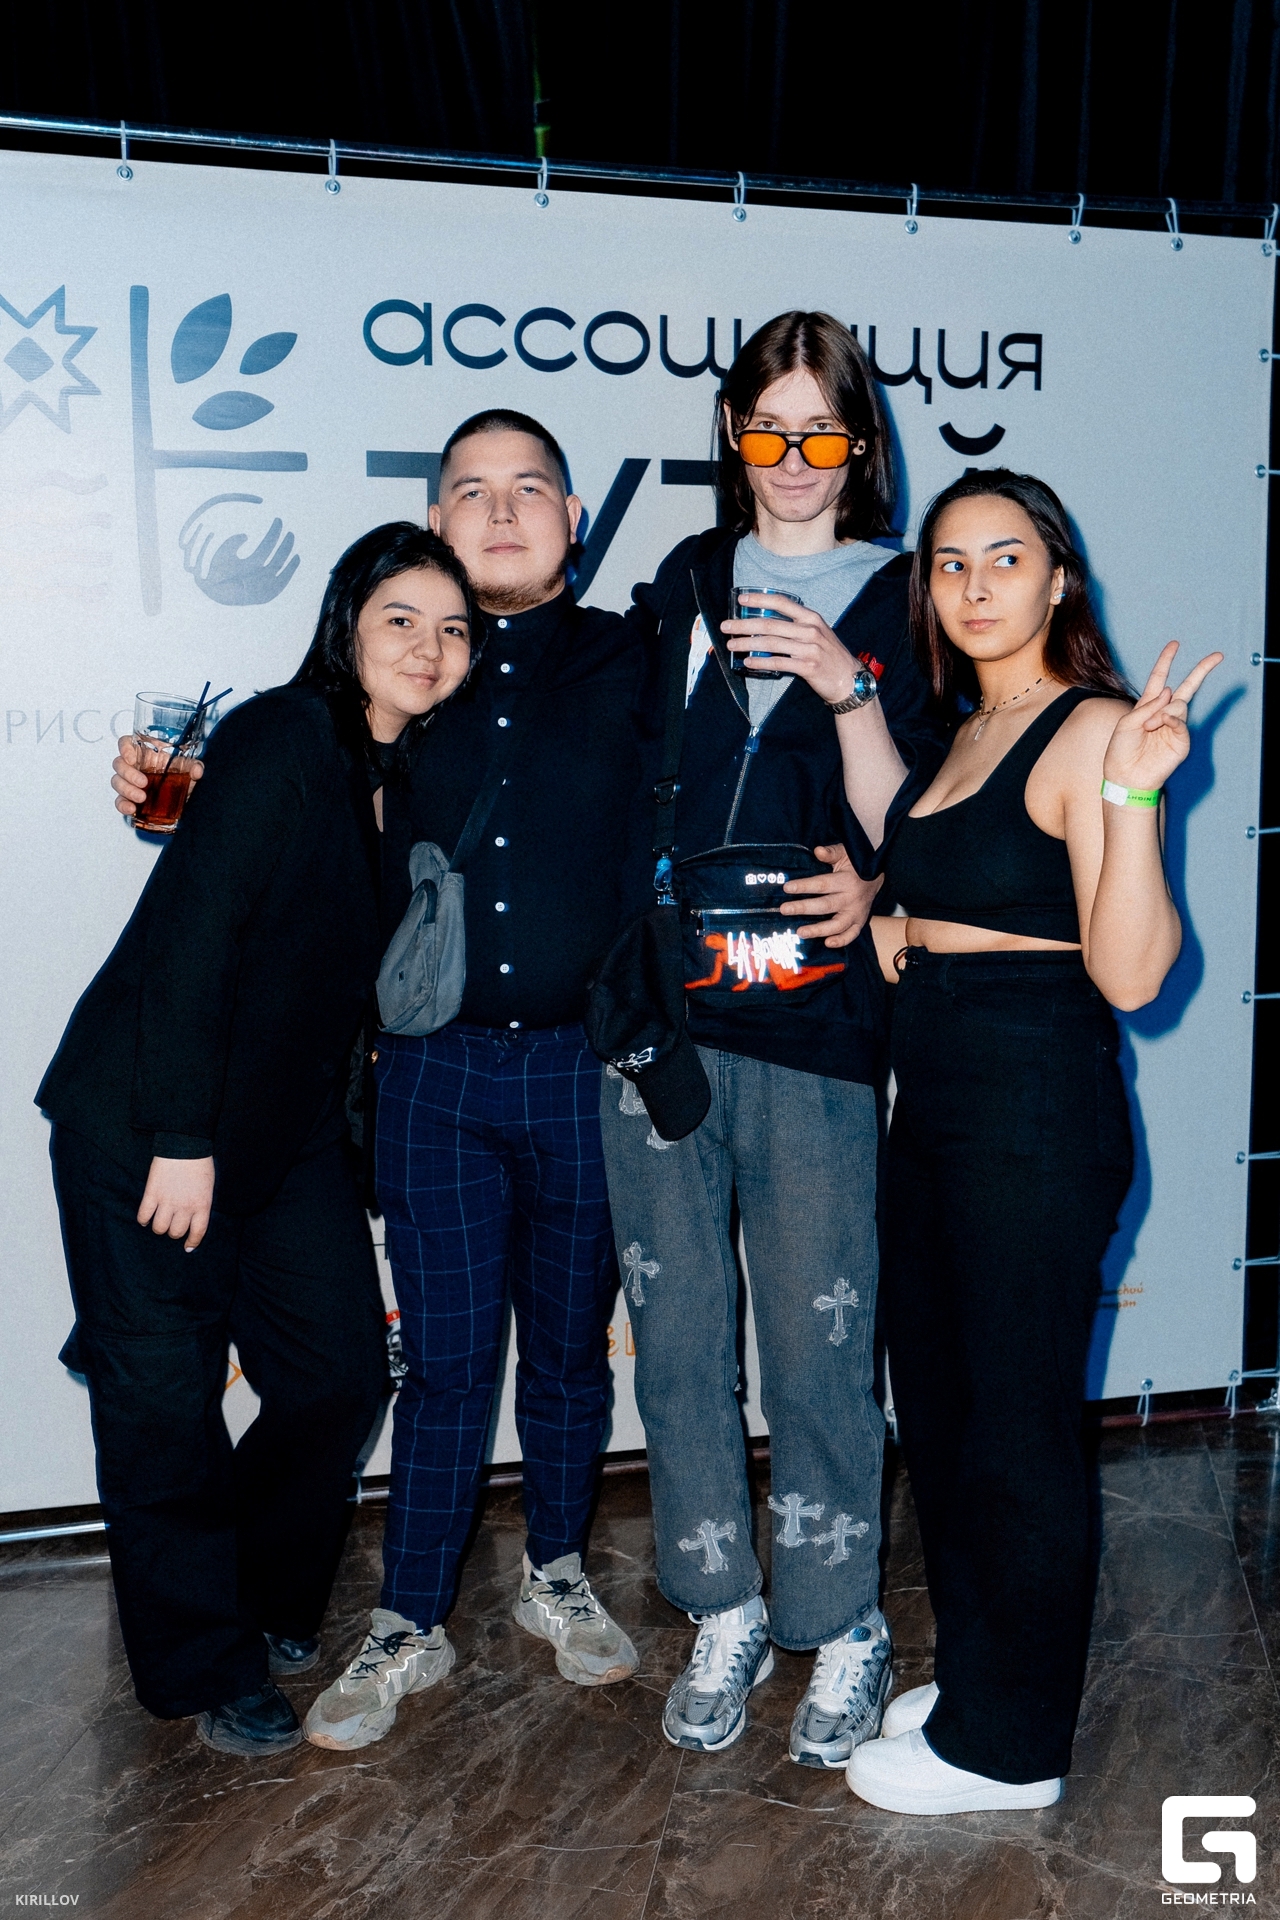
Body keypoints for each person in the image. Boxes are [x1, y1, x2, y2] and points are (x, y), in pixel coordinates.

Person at [41, 522, 474, 1756]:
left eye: (451, 629)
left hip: (282, 1139)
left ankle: (250, 1587)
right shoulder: (282, 734)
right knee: (164, 1404)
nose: (427, 647)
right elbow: (195, 935)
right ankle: (204, 1665)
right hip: (149, 1121)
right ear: (345, 627)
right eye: (400, 619)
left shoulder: (404, 777)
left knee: (338, 1375)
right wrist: (182, 1136)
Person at [599, 311, 947, 1767]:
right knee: (678, 1344)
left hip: (814, 1030)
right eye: (766, 428)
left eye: (821, 432)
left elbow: (920, 819)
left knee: (820, 1342)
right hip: (663, 1026)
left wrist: (843, 693)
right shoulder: (683, 581)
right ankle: (722, 1606)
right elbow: (608, 766)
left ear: (858, 446)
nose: (792, 459)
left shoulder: (909, 597)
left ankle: (839, 1621)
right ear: (732, 435)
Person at [846, 469, 1221, 1815]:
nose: (974, 584)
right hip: (936, 1103)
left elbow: (1129, 974)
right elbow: (954, 893)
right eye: (949, 563)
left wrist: (1134, 799)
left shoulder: (1095, 728)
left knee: (1013, 1429)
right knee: (943, 1416)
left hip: (1032, 1113)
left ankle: (1011, 1752)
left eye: (1005, 557)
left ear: (1059, 579)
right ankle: (984, 1675)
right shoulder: (964, 729)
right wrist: (896, 929)